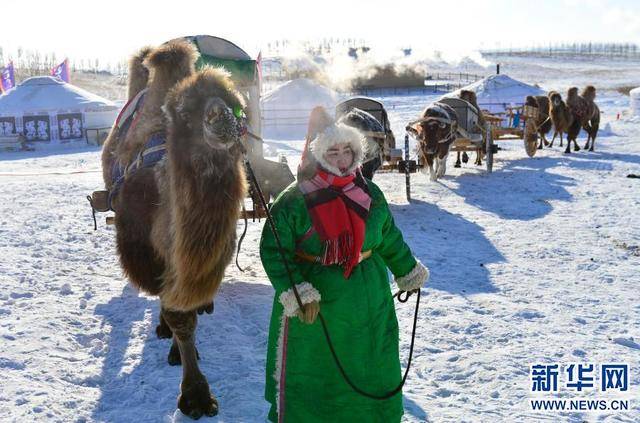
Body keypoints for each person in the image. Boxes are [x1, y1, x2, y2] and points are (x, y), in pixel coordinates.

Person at [260, 107, 429, 423]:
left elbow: (388, 235)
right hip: (316, 308)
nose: (341, 158)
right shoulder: (294, 199)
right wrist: (297, 292)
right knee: (317, 375)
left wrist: (407, 270)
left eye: (346, 151)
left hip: (369, 302)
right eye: (332, 152)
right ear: (319, 155)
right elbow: (274, 250)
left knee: (372, 365)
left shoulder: (369, 192)